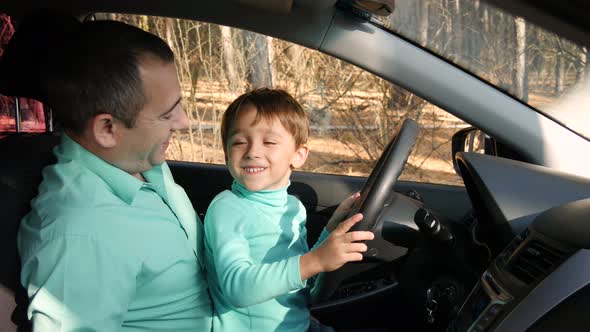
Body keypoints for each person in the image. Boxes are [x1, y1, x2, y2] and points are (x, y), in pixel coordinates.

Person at [17, 20, 212, 331]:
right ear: (107, 129)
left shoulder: (138, 160)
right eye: (167, 114)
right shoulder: (81, 234)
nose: (183, 122)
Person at [204, 88, 375, 331]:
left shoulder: (292, 207)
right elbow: (237, 288)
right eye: (240, 142)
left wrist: (330, 231)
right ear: (226, 154)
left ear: (298, 155)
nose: (252, 152)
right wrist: (317, 259)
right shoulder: (228, 208)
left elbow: (299, 272)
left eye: (269, 142)